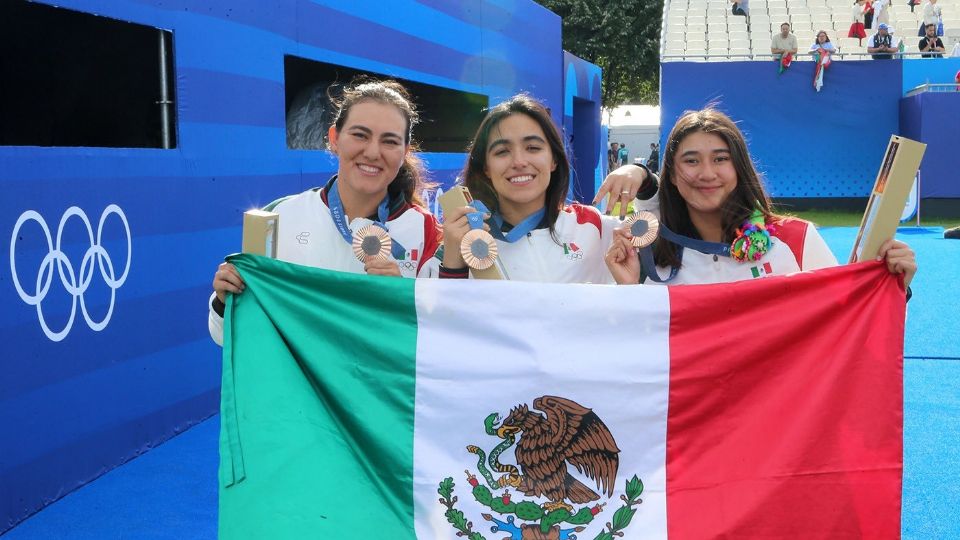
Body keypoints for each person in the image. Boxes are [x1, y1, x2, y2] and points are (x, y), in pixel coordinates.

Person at [207, 79, 442, 345]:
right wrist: (225, 299)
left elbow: (437, 345)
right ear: (334, 139)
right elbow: (225, 336)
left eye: (389, 141)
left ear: (404, 152)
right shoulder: (280, 216)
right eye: (360, 135)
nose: (373, 152)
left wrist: (402, 302)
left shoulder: (426, 230)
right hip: (298, 386)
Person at [604, 108, 917, 290]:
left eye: (720, 158)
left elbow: (849, 324)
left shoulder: (796, 240)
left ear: (739, 167)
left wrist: (891, 286)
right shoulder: (649, 256)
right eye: (691, 161)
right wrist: (629, 291)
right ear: (671, 175)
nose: (707, 173)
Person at [433, 94, 659, 284]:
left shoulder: (593, 227)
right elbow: (432, 323)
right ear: (486, 168)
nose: (519, 161)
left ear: (554, 160)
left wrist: (643, 176)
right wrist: (453, 267)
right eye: (502, 151)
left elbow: (673, 236)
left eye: (533, 147)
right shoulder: (465, 239)